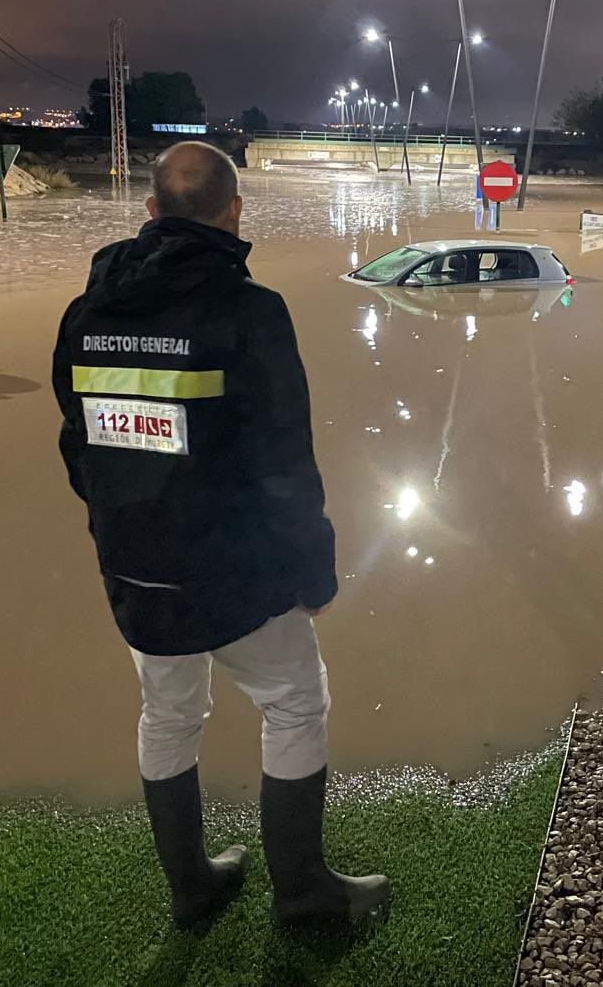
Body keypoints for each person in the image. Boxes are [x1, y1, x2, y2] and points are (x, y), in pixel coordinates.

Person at [51, 142, 388, 926]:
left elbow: (77, 443)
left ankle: (191, 889)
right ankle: (301, 893)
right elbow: (283, 464)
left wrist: (120, 527)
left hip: (134, 570)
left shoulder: (87, 313)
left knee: (168, 714)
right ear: (235, 214)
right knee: (297, 704)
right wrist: (315, 574)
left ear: (150, 214)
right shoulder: (250, 312)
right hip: (234, 573)